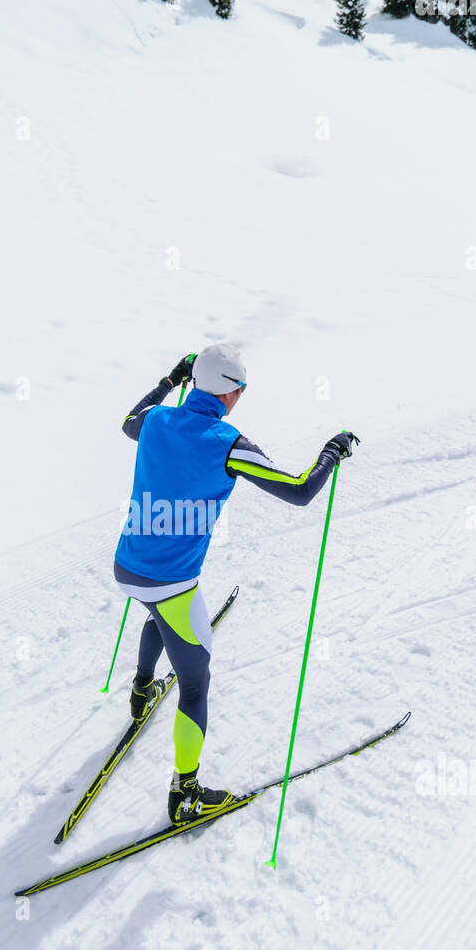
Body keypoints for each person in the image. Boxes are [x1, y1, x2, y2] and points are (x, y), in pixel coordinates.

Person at [114, 344, 358, 824]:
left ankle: (141, 692)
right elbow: (300, 490)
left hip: (127, 568)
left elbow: (129, 420)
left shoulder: (158, 422)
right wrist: (332, 452)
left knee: (156, 614)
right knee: (195, 683)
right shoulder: (227, 442)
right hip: (171, 583)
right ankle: (185, 795)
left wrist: (170, 380)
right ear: (234, 393)